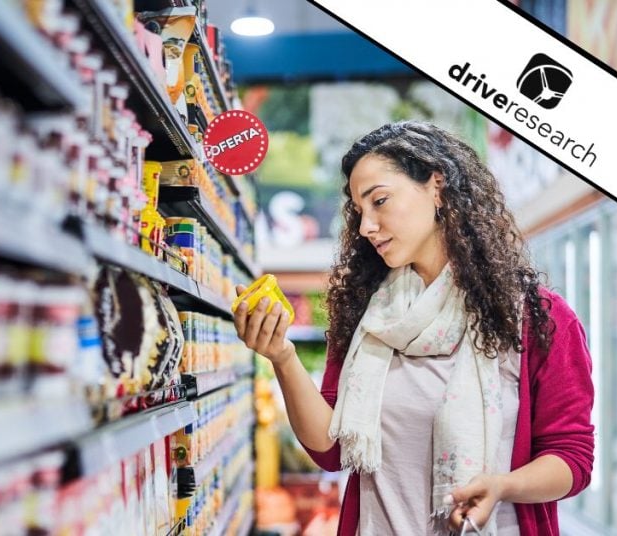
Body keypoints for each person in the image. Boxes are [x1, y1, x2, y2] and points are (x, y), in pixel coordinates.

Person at [234, 121, 594, 535]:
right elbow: (331, 450)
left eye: (380, 201)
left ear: (437, 187)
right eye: (359, 211)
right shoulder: (365, 317)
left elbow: (572, 457)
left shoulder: (536, 319)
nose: (366, 225)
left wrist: (503, 485)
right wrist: (282, 355)